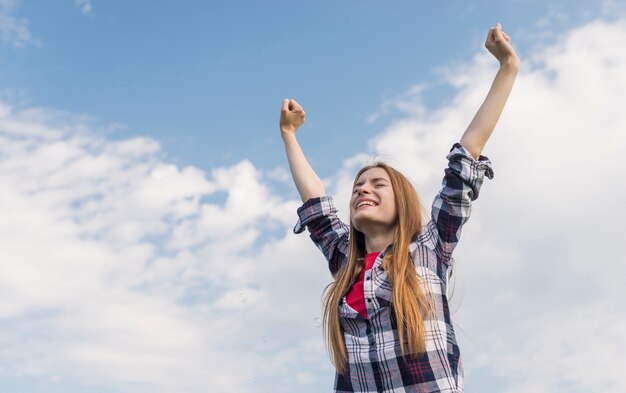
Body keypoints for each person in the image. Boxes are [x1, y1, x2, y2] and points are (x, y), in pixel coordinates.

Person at [279, 23, 519, 393]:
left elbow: (466, 155)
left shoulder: (429, 247)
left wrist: (507, 68)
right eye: (358, 187)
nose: (363, 190)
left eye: (377, 185)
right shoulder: (345, 261)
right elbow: (315, 202)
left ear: (402, 202)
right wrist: (289, 135)